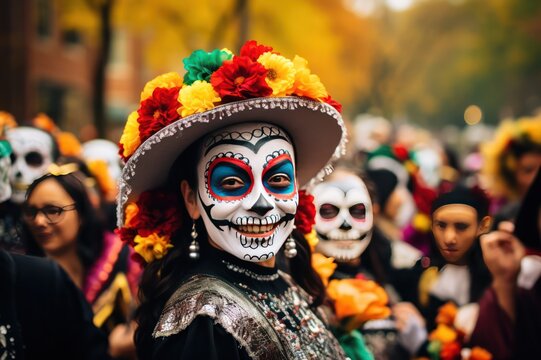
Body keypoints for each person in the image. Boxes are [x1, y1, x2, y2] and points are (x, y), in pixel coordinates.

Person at [116, 40, 348, 359]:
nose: (261, 202)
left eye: (278, 179)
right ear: (192, 199)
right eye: (232, 182)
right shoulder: (200, 321)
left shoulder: (286, 283)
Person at [21, 169, 139, 358]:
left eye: (53, 211)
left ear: (82, 214)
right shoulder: (21, 277)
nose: (39, 221)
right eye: (31, 212)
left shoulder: (120, 260)